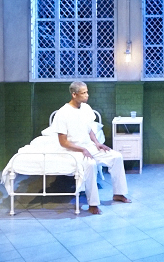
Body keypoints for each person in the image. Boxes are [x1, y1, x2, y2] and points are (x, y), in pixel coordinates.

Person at [42, 81, 130, 215]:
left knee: (117, 157)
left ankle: (118, 193)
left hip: (89, 146)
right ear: (74, 94)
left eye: (87, 92)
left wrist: (97, 143)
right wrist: (82, 150)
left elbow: (89, 129)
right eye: (83, 93)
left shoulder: (86, 109)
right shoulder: (62, 113)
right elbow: (63, 142)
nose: (87, 95)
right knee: (91, 164)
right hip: (73, 150)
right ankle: (93, 204)